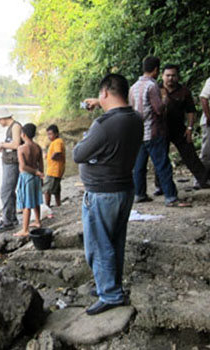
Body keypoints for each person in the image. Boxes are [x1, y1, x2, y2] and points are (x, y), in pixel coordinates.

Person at [74, 73, 143, 315]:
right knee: (115, 242)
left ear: (104, 93)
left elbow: (78, 154)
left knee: (99, 245)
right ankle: (110, 286)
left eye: (100, 95)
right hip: (124, 189)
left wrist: (87, 139)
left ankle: (111, 295)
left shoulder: (103, 125)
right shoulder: (136, 118)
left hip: (102, 192)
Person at [129, 56, 189, 207]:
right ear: (156, 70)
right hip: (154, 131)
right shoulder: (152, 86)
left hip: (138, 133)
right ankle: (170, 197)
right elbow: (159, 109)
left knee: (139, 166)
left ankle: (139, 193)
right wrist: (165, 102)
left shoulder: (133, 87)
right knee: (162, 164)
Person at [153, 64, 210, 195]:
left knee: (190, 154)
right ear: (162, 76)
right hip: (160, 128)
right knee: (161, 157)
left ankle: (204, 180)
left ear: (177, 76)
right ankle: (160, 186)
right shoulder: (155, 89)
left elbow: (191, 111)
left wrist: (190, 127)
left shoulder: (184, 91)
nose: (170, 78)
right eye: (167, 75)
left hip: (179, 128)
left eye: (173, 75)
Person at [13, 123, 44, 237]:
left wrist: (35, 172)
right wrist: (40, 174)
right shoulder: (37, 147)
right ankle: (37, 221)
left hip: (27, 177)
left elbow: (23, 167)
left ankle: (25, 229)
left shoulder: (21, 148)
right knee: (36, 200)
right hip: (36, 177)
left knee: (27, 204)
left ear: (24, 134)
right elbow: (41, 164)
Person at [43, 124, 66, 207]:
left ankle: (47, 205)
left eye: (50, 134)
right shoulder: (55, 142)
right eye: (48, 134)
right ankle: (58, 203)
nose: (49, 136)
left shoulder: (57, 142)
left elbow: (58, 152)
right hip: (57, 170)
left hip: (53, 170)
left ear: (56, 134)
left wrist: (52, 157)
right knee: (56, 189)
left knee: (47, 189)